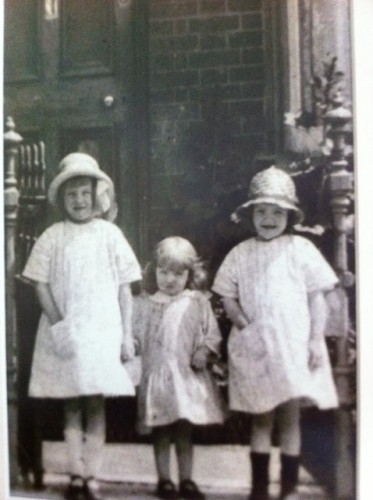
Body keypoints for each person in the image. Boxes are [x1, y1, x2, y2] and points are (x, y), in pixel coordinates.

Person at [212, 166, 339, 500]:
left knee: (290, 418)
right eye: (261, 211)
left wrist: (314, 340)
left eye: (276, 212)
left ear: (290, 216)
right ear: (251, 215)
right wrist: (244, 325)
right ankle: (259, 489)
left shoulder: (301, 250)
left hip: (293, 346)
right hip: (256, 347)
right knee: (260, 418)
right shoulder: (241, 253)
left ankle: (288, 487)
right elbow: (226, 294)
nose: (268, 218)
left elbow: (318, 298)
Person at [22, 153, 142, 500]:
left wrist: (125, 335)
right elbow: (40, 284)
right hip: (66, 333)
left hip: (102, 332)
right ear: (62, 198)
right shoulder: (52, 236)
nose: (78, 200)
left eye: (84, 193)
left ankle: (92, 475)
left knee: (95, 403)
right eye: (71, 194)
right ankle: (75, 473)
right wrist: (59, 323)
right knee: (70, 403)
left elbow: (125, 288)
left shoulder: (110, 235)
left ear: (96, 196)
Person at [133, 237, 226, 499]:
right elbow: (135, 336)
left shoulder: (197, 302)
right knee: (161, 431)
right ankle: (164, 480)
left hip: (186, 378)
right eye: (163, 272)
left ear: (190, 274)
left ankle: (187, 479)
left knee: (184, 430)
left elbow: (213, 334)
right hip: (158, 377)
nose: (170, 279)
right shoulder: (146, 303)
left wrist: (204, 351)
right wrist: (132, 346)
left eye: (178, 273)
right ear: (154, 271)